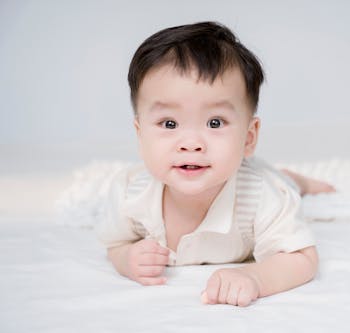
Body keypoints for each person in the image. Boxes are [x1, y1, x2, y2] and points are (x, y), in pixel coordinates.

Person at [98, 21, 334, 307]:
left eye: (215, 122)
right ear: (140, 134)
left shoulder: (263, 197)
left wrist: (255, 278)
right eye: (169, 123)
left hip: (259, 178)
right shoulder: (129, 193)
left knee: (285, 184)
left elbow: (302, 258)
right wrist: (127, 259)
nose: (191, 143)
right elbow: (115, 243)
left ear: (248, 138)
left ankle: (296, 179)